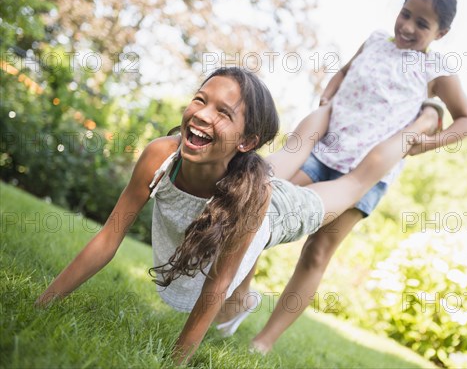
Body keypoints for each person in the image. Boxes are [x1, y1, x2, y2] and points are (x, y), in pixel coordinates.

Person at [34, 66, 441, 365]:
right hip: (242, 173)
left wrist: (174, 361)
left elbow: (218, 282)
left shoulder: (254, 193)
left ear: (247, 139)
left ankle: (417, 122)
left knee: (356, 180)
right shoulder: (162, 154)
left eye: (223, 112)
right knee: (297, 146)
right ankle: (333, 105)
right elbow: (109, 236)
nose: (202, 115)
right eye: (200, 99)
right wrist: (44, 303)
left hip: (275, 207)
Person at [250, 0, 467, 353]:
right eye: (405, 14)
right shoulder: (374, 41)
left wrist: (426, 143)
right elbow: (343, 72)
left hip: (369, 173)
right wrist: (328, 95)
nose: (407, 27)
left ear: (442, 33)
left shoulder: (435, 68)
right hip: (323, 152)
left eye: (422, 24)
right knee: (261, 207)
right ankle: (239, 295)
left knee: (317, 253)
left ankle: (263, 341)